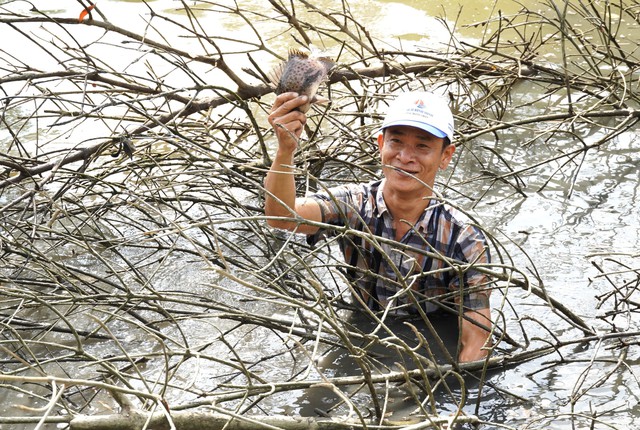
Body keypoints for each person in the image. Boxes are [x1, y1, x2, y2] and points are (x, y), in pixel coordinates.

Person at [264, 90, 492, 362]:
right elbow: (283, 217)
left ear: (445, 156)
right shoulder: (353, 203)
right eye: (396, 141)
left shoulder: (464, 238)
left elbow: (477, 341)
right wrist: (285, 149)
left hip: (429, 346)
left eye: (422, 146)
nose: (406, 157)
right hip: (363, 331)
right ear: (381, 144)